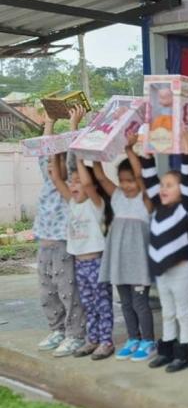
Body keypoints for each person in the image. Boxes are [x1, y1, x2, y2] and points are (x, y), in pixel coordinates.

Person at [48, 109, 113, 360]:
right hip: (79, 263)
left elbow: (86, 182)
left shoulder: (96, 203)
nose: (74, 185)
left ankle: (106, 341)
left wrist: (76, 132)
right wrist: (56, 148)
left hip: (97, 262)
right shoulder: (73, 203)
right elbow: (56, 178)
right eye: (72, 182)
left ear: (91, 187)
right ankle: (92, 339)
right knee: (88, 304)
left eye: (78, 182)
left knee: (102, 303)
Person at [93, 132, 155, 362]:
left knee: (140, 303)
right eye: (122, 181)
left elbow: (140, 175)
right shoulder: (117, 197)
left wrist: (129, 150)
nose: (126, 185)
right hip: (119, 261)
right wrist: (93, 152)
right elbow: (100, 178)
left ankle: (148, 340)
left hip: (138, 263)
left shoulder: (145, 200)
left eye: (130, 181)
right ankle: (133, 338)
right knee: (126, 304)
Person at [141, 128, 188, 372]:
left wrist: (186, 151)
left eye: (170, 185)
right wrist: (146, 154)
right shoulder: (158, 208)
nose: (163, 189)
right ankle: (167, 350)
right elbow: (149, 179)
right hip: (162, 271)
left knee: (183, 313)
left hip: (181, 270)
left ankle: (184, 353)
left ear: (181, 190)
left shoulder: (186, 209)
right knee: (167, 311)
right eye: (162, 185)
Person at [34, 110, 85, 357]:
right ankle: (57, 330)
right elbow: (44, 153)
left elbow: (74, 158)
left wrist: (74, 125)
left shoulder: (70, 189)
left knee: (69, 291)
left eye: (58, 162)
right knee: (48, 292)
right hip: (44, 246)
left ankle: (76, 334)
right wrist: (50, 123)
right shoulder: (47, 181)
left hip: (65, 245)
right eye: (51, 163)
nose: (52, 166)